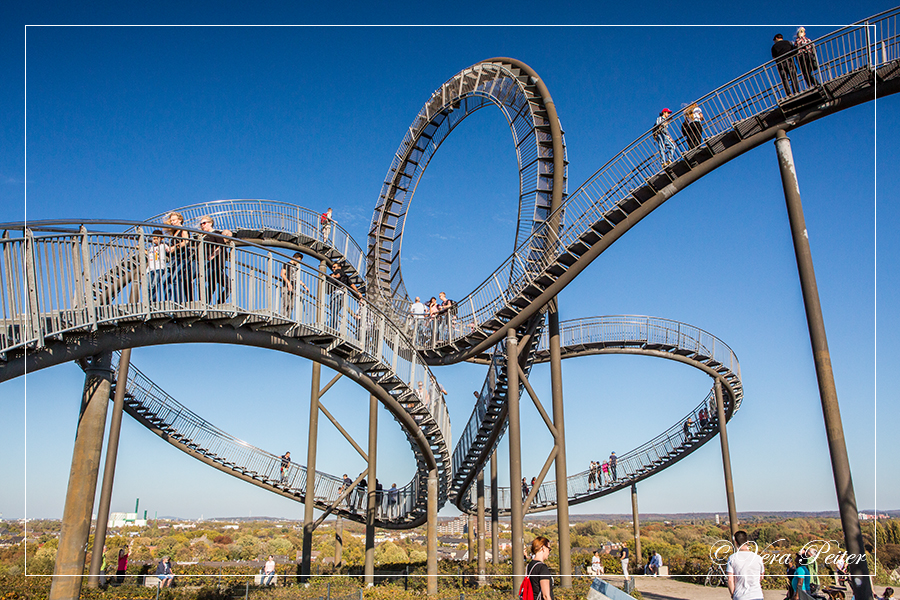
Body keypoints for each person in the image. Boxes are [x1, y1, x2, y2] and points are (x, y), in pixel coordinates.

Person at [198, 215, 233, 303]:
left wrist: (213, 255)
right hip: (211, 265)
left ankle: (217, 303)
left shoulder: (215, 233)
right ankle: (207, 304)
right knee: (212, 286)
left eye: (204, 223)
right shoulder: (203, 236)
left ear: (210, 223)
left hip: (216, 265)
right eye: (201, 224)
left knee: (222, 286)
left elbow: (221, 246)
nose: (202, 225)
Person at [726, 530, 764, 600]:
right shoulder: (758, 558)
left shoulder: (732, 558)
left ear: (736, 542)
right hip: (757, 595)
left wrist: (733, 594)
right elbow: (761, 577)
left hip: (740, 596)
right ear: (748, 542)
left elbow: (730, 580)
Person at [165, 211, 194, 302]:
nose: (172, 222)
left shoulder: (183, 229)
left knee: (176, 279)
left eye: (174, 220)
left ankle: (180, 302)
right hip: (175, 258)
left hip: (182, 257)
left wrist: (175, 247)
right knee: (175, 279)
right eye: (171, 221)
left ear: (180, 220)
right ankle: (182, 301)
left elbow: (186, 241)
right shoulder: (174, 232)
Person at [280, 252, 309, 319]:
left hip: (293, 287)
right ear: (294, 258)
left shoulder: (296, 268)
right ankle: (283, 317)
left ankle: (288, 318)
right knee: (286, 303)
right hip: (286, 287)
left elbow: (297, 278)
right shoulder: (286, 264)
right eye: (298, 260)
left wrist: (304, 286)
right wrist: (288, 283)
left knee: (291, 305)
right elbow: (282, 274)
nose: (298, 262)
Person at [146, 230, 169, 303]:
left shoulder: (163, 246)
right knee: (147, 287)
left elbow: (169, 250)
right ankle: (148, 302)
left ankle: (153, 301)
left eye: (156, 238)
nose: (154, 240)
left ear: (161, 238)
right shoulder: (151, 248)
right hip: (150, 269)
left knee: (154, 285)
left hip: (159, 268)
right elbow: (149, 254)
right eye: (153, 239)